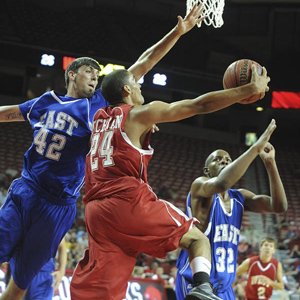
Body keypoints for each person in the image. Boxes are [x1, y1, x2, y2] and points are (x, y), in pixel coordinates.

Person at [0, 5, 204, 299]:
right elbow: (8, 113)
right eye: (89, 72)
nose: (95, 78)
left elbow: (143, 64)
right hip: (26, 189)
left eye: (98, 75)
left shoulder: (97, 106)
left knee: (21, 282)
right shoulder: (44, 102)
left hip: (59, 204)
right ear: (71, 74)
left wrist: (178, 32)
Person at [69, 60, 271, 299]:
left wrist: (143, 129)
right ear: (127, 91)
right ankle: (202, 288)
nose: (140, 86)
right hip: (126, 202)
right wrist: (246, 90)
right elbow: (199, 105)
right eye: (136, 84)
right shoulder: (139, 114)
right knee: (198, 239)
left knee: (102, 292)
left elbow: (117, 137)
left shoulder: (98, 119)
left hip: (96, 213)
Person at [175, 122, 287, 300]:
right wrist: (255, 148)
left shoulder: (239, 197)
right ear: (207, 169)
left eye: (228, 160)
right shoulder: (199, 186)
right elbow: (221, 183)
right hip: (196, 283)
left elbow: (279, 207)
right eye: (218, 160)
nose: (224, 162)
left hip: (225, 288)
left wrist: (270, 164)